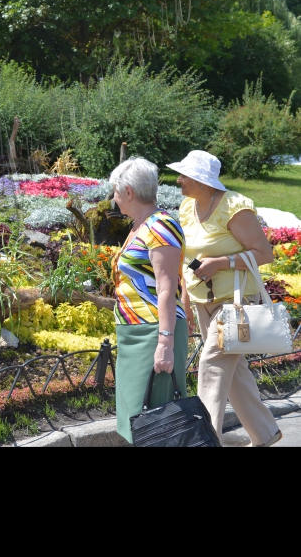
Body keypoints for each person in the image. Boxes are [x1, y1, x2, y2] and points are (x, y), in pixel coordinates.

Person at [166, 149, 282, 447]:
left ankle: (205, 439)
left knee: (212, 365)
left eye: (184, 175)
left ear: (202, 181)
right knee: (234, 372)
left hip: (236, 304)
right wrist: (186, 300)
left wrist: (221, 263)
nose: (178, 180)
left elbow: (264, 253)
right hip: (203, 301)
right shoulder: (186, 207)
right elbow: (184, 257)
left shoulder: (234, 206)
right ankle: (266, 433)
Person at [110, 157, 189, 444]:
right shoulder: (139, 226)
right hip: (133, 332)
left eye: (115, 192)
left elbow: (168, 287)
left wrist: (165, 344)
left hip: (154, 332)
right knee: (135, 419)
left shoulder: (161, 225)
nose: (114, 199)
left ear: (128, 192)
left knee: (156, 423)